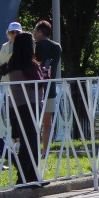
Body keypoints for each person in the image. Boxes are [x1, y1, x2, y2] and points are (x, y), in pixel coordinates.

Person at [4, 32, 46, 187]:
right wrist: (45, 76)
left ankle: (31, 176)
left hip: (22, 104)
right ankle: (24, 177)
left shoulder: (15, 63)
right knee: (30, 141)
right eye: (33, 42)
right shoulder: (27, 65)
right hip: (29, 104)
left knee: (30, 140)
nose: (35, 45)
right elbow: (36, 83)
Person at [33, 21, 62, 151]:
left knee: (33, 122)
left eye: (35, 30)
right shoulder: (57, 47)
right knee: (47, 123)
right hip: (50, 88)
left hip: (35, 89)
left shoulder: (34, 46)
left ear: (40, 32)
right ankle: (46, 150)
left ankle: (33, 151)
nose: (34, 33)